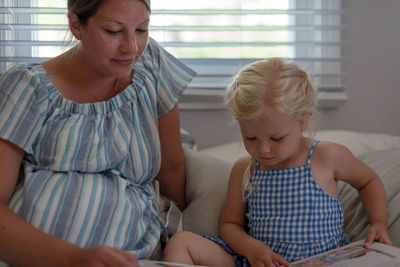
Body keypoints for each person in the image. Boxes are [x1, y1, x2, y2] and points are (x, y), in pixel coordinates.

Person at [0, 0, 195, 266]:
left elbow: (172, 167)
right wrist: (75, 258)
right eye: (114, 31)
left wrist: (192, 237)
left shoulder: (151, 66)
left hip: (133, 254)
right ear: (76, 25)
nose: (132, 47)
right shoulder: (27, 87)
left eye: (141, 29)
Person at [163, 58, 392, 266]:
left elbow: (368, 181)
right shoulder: (245, 168)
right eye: (250, 137)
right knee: (181, 242)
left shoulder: (326, 156)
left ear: (303, 121)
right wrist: (252, 249)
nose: (262, 149)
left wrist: (379, 222)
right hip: (258, 261)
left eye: (276, 138)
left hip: (322, 261)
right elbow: (230, 225)